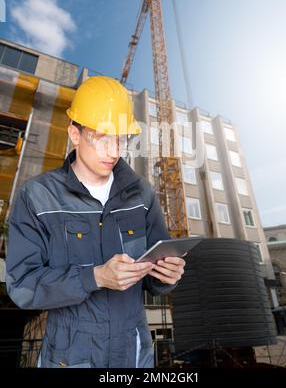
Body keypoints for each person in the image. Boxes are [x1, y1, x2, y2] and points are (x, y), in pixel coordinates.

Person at [6, 76, 185, 368]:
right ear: (75, 134)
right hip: (70, 356)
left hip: (134, 355)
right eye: (102, 137)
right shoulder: (37, 197)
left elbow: (155, 277)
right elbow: (23, 286)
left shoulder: (141, 194)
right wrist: (95, 277)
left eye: (122, 139)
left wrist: (167, 276)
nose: (115, 151)